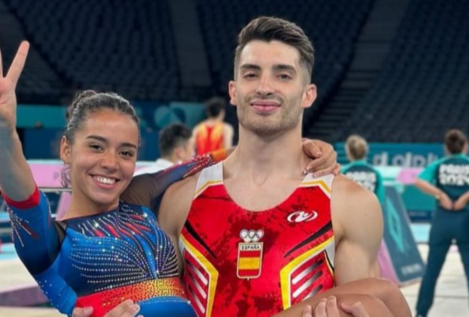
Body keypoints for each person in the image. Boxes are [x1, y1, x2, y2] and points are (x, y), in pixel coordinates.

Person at [0, 41, 339, 317]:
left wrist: (296, 145)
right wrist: (5, 135)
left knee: (381, 295)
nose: (111, 163)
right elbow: (22, 194)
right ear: (66, 149)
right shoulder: (50, 242)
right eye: (96, 146)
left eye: (126, 152)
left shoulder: (139, 200)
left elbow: (204, 161)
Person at [154, 17, 411, 317]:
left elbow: (368, 306)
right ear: (234, 91)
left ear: (308, 94)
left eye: (283, 76)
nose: (264, 87)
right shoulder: (179, 200)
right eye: (251, 74)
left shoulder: (350, 205)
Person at [414, 129, 469, 317]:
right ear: (465, 146)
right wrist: (465, 197)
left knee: (431, 270)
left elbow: (419, 181)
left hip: (442, 221)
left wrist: (440, 194)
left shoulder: (440, 164)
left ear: (446, 148)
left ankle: (421, 312)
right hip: (465, 221)